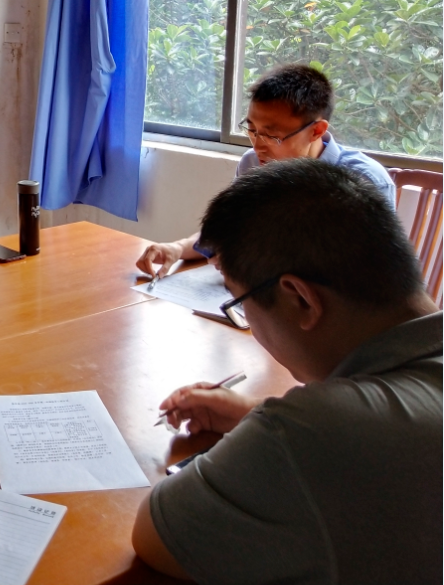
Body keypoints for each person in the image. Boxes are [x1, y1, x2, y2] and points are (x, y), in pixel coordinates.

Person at [130, 159, 441, 583]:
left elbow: (157, 534)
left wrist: (270, 424)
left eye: (240, 303)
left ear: (301, 300)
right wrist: (251, 412)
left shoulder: (313, 429)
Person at [136, 63, 397, 278]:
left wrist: (249, 261)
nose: (258, 146)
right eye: (251, 130)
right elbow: (229, 230)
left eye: (272, 136)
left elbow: (360, 275)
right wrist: (177, 248)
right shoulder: (253, 164)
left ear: (316, 130)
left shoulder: (363, 182)